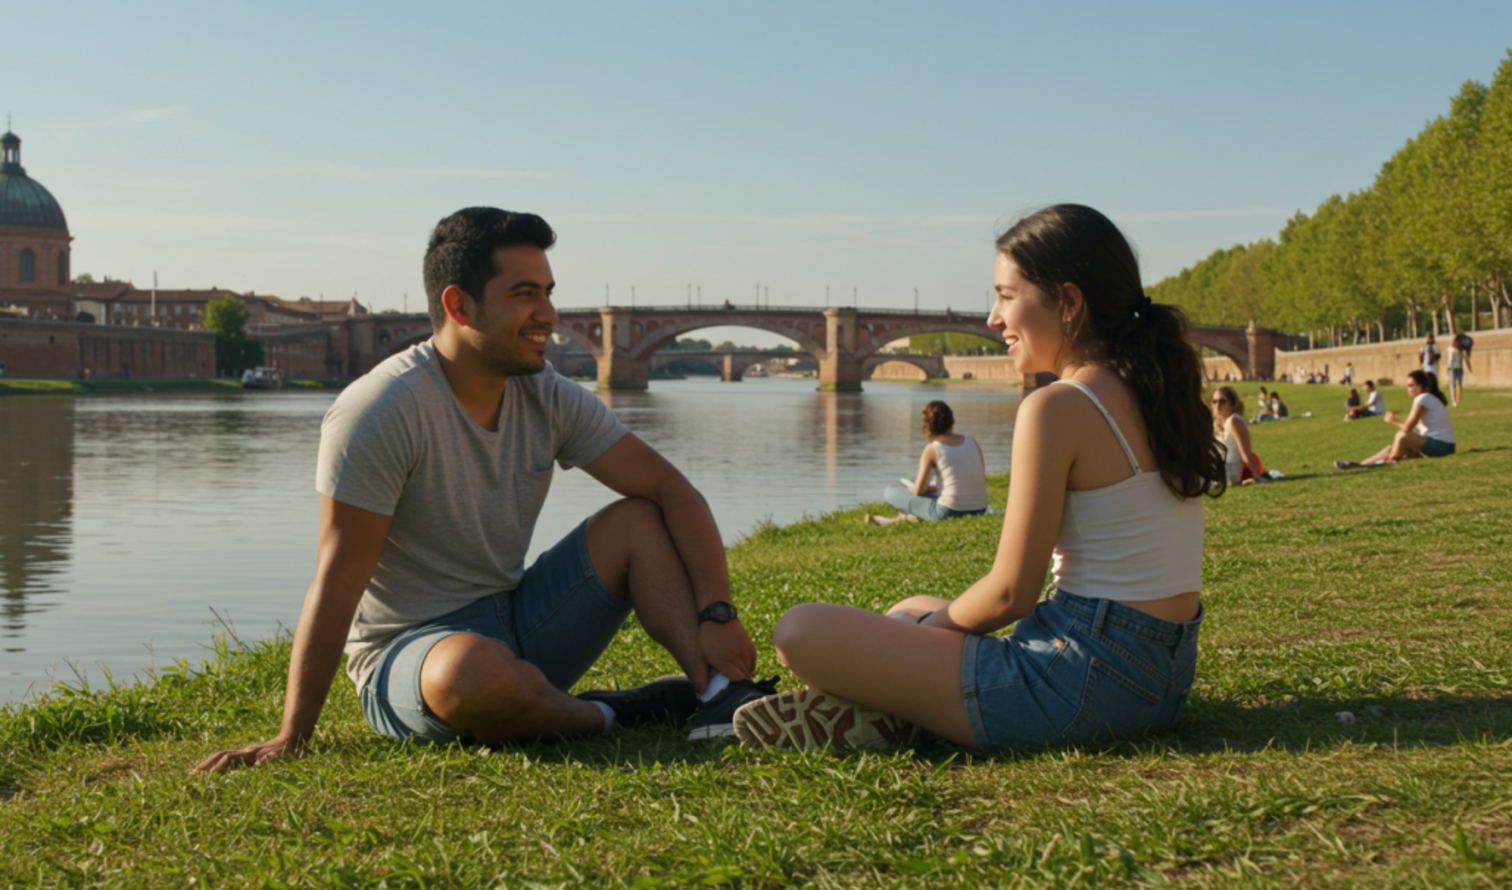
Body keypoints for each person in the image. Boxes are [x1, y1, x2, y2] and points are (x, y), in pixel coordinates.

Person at [197, 208, 771, 774]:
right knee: (477, 676)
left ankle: (721, 695)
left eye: (548, 292)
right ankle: (614, 713)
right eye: (525, 294)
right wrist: (291, 734)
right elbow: (338, 580)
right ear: (458, 304)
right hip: (411, 650)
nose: (549, 314)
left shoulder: (547, 393)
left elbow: (672, 489)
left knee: (639, 518)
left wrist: (717, 614)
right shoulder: (380, 410)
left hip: (518, 619)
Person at [730, 204, 1225, 752]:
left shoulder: (1057, 407)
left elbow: (1012, 593)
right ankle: (903, 707)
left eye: (1006, 296)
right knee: (911, 606)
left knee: (799, 631)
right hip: (1163, 678)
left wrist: (916, 641)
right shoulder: (1156, 393)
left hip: (1080, 684)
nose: (993, 319)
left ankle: (900, 710)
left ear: (1068, 302)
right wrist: (914, 632)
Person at [865, 401, 989, 526]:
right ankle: (905, 517)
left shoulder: (932, 448)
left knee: (890, 492)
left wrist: (925, 489)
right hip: (981, 508)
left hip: (949, 511)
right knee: (931, 497)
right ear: (951, 421)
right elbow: (977, 476)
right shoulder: (971, 441)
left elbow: (918, 492)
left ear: (928, 425)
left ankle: (907, 515)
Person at [1335, 370, 1455, 469]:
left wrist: (1392, 421)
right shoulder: (1427, 398)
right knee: (1390, 447)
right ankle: (1360, 465)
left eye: (1411, 385)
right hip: (1441, 445)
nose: (1408, 389)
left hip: (1441, 446)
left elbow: (1407, 429)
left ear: (1421, 387)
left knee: (1401, 436)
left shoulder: (1423, 398)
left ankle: (1387, 461)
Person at [1213, 386, 1266, 485]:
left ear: (1231, 405)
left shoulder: (1234, 420)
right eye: (1214, 402)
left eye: (1222, 401)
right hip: (1221, 470)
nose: (1217, 406)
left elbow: (1245, 454)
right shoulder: (1219, 424)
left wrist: (1257, 477)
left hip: (1229, 474)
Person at [1447, 332, 1473, 407]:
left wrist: (1469, 368)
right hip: (1451, 369)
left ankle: (1458, 400)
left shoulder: (1462, 350)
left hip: (1459, 368)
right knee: (1452, 385)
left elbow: (1466, 358)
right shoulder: (1450, 349)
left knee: (1459, 384)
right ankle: (1453, 400)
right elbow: (1449, 360)